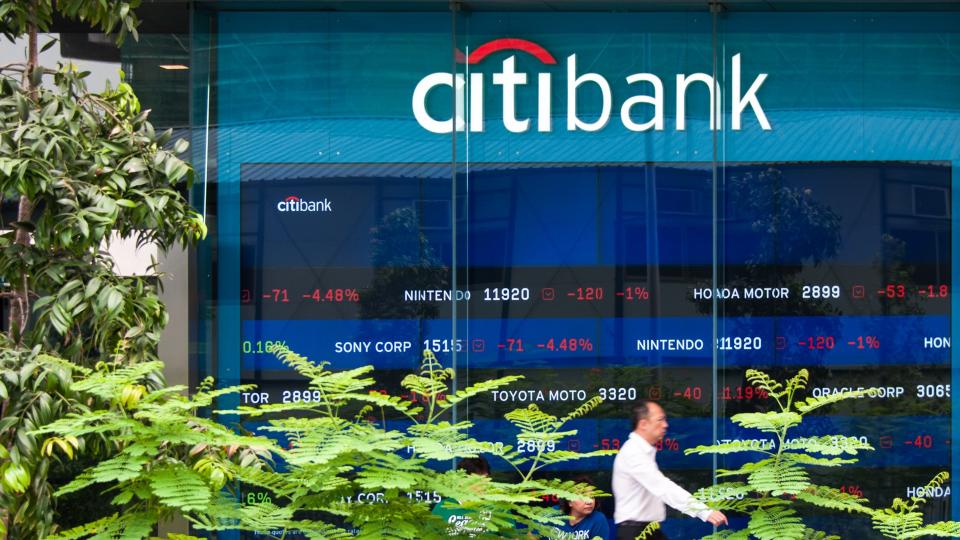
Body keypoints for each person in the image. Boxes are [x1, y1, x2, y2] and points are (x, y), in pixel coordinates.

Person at [612, 400, 727, 540]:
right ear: (643, 424)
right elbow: (663, 487)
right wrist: (703, 511)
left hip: (648, 530)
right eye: (660, 420)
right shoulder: (633, 453)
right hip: (635, 532)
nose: (665, 425)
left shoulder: (640, 451)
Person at [432, 456, 492, 537]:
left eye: (486, 479)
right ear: (461, 481)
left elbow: (513, 536)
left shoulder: (498, 508)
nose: (483, 485)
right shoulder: (441, 508)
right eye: (477, 480)